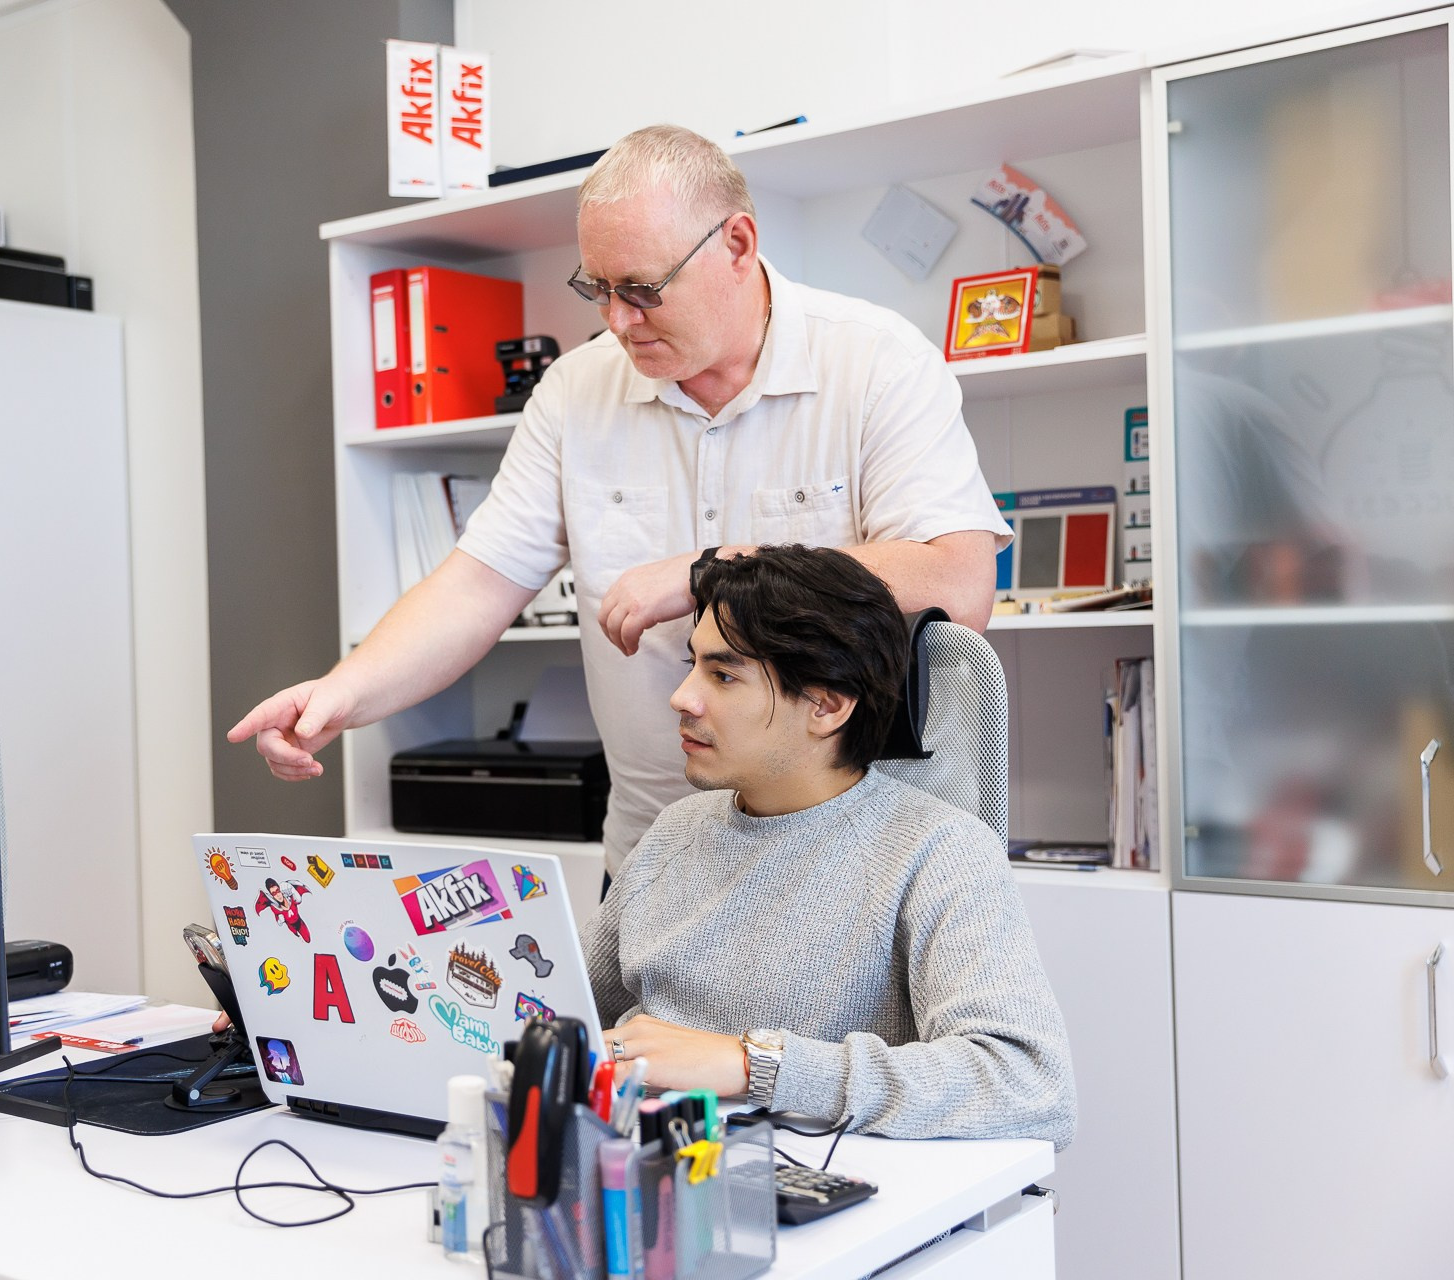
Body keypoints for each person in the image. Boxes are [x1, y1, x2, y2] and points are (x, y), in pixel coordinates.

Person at [231, 123, 1013, 874]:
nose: (618, 321)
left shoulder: (876, 363)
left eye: (642, 289)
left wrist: (717, 571)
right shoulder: (576, 390)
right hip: (654, 854)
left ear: (738, 244)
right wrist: (341, 693)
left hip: (851, 857)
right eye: (597, 289)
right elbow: (477, 585)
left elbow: (957, 583)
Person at [581, 545, 1075, 1146]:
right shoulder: (675, 831)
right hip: (638, 1163)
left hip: (809, 1182)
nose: (682, 697)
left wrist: (752, 1065)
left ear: (826, 706)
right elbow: (565, 1005)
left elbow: (1030, 1085)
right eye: (693, 665)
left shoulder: (939, 852)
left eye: (723, 675)